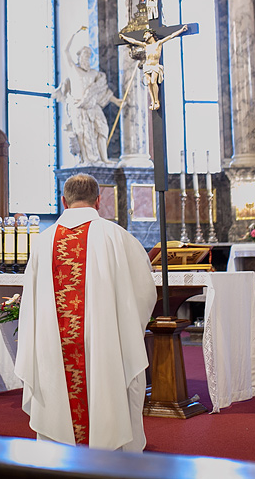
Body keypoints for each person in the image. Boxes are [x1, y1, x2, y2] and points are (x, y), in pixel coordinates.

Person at [14, 173, 155, 451]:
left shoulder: (43, 242)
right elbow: (144, 293)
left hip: (55, 349)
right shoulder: (119, 238)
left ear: (63, 201)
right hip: (106, 349)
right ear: (99, 201)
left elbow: (30, 303)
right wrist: (124, 329)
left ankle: (59, 459)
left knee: (57, 407)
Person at [52, 27, 123, 165]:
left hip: (93, 106)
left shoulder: (95, 74)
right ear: (78, 57)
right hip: (78, 107)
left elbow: (103, 92)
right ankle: (87, 161)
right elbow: (64, 50)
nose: (86, 58)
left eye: (88, 56)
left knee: (103, 129)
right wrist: (74, 32)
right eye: (84, 55)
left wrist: (116, 101)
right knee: (83, 135)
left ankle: (104, 158)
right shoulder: (74, 70)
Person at [119, 22, 189, 111]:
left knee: (153, 81)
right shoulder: (146, 45)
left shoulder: (158, 43)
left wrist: (181, 30)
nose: (144, 37)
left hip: (155, 66)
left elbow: (171, 36)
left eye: (145, 34)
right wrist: (124, 37)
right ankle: (152, 101)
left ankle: (157, 101)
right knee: (148, 83)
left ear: (151, 34)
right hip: (147, 66)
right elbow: (134, 41)